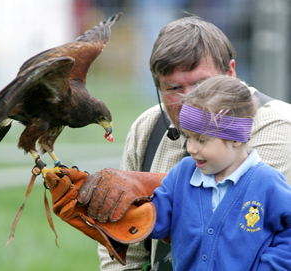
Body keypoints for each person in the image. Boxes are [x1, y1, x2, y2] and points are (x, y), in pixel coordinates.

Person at [98, 14, 291, 271]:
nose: (189, 100)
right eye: (174, 88)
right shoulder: (147, 128)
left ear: (230, 73)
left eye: (201, 84)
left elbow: (259, 225)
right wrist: (110, 213)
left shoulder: (279, 127)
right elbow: (126, 252)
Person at [147, 75, 291, 270]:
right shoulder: (182, 174)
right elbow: (155, 222)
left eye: (201, 139)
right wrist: (129, 213)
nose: (190, 148)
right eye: (188, 137)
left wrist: (271, 265)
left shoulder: (267, 182)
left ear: (236, 138)